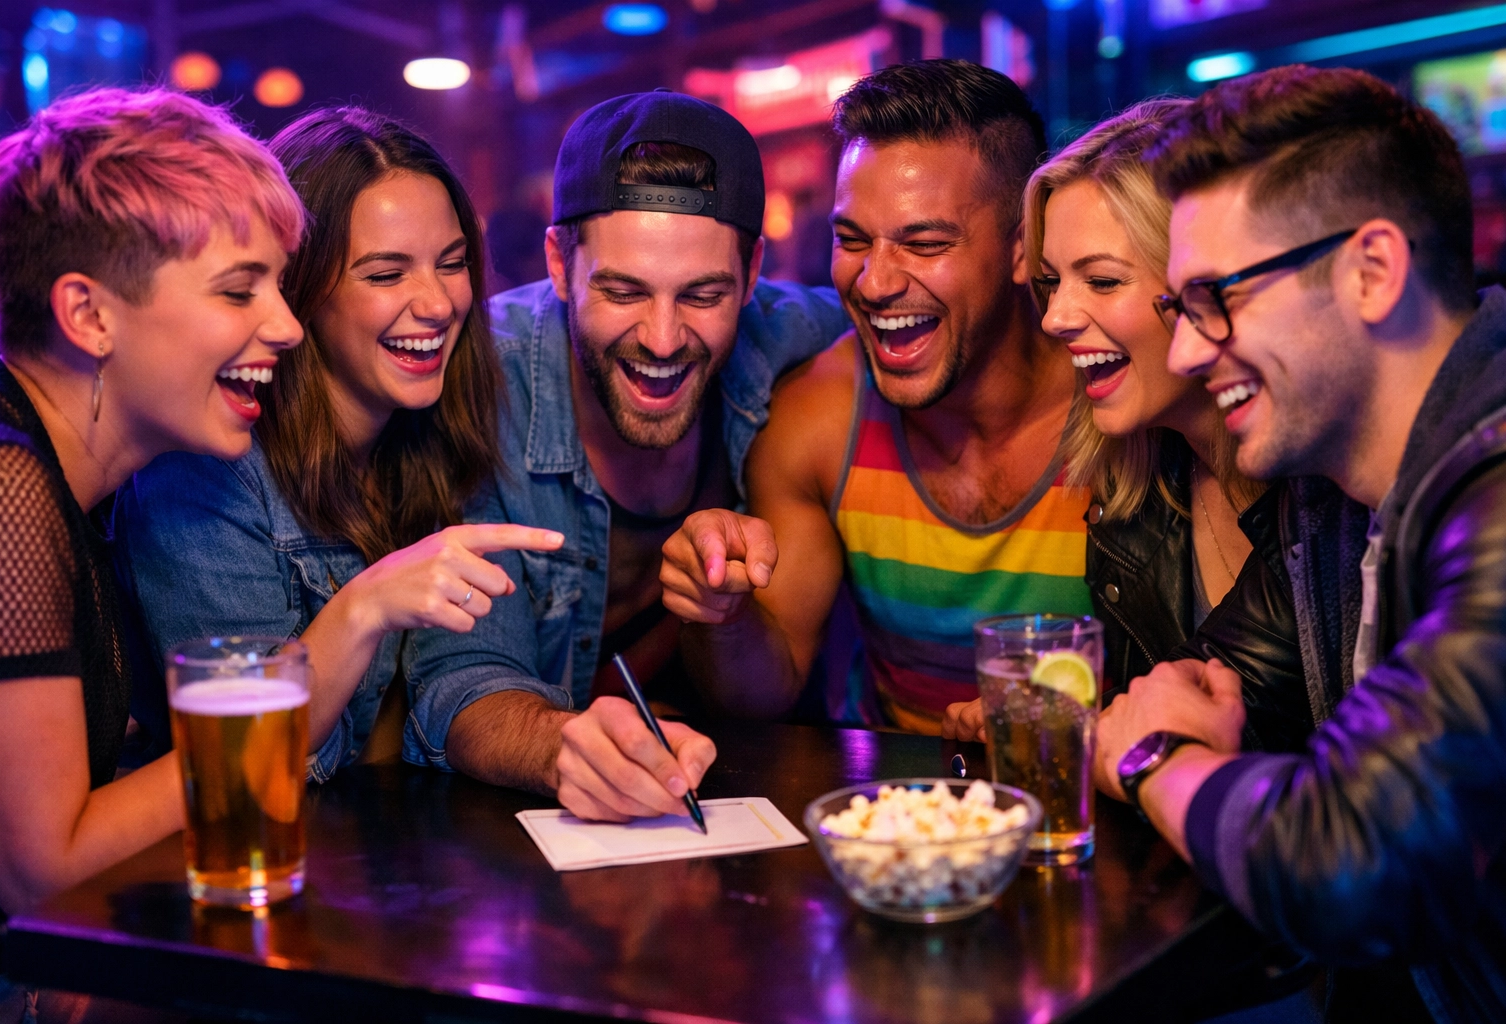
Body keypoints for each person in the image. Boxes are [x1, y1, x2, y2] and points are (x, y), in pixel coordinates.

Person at [117, 108, 691, 824]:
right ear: (300, 290)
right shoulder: (206, 472)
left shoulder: (442, 431)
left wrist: (566, 743)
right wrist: (364, 607)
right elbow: (255, 770)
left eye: (452, 264)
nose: (438, 303)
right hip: (222, 883)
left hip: (386, 878)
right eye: (387, 273)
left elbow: (468, 676)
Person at [1095, 66, 1506, 1024]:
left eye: (1216, 297)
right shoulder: (1340, 502)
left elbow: (1350, 859)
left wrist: (1156, 759)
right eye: (1178, 312)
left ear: (1372, 270)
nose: (1191, 351)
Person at [0, 88, 303, 1018]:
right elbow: (45, 872)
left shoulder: (75, 478)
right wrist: (340, 643)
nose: (287, 325)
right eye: (240, 289)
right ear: (89, 315)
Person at [432, 90, 850, 818]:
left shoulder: (799, 335)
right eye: (623, 290)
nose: (662, 338)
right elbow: (460, 681)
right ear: (561, 264)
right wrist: (561, 747)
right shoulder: (476, 387)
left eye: (703, 294)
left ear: (752, 273)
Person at [660, 60, 1092, 733]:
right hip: (892, 814)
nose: (875, 281)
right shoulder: (820, 416)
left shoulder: (1120, 406)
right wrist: (724, 613)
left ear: (1024, 249)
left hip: (1092, 803)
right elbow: (762, 693)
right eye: (851, 240)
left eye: (925, 242)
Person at [941, 100, 1318, 756]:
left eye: (1103, 280)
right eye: (1053, 283)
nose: (1055, 316)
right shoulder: (1137, 485)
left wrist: (1088, 736)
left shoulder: (1331, 487)